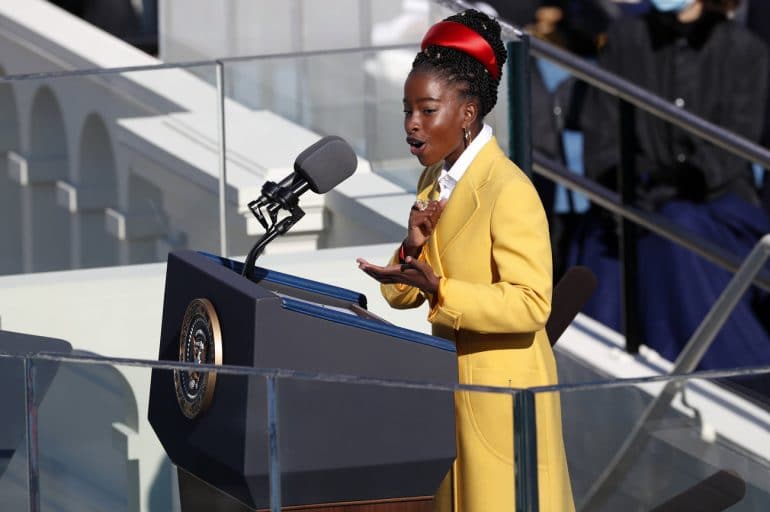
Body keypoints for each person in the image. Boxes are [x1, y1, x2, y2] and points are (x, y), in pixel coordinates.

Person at [356, 9, 575, 511]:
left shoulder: (509, 190)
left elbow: (531, 304)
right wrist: (411, 248)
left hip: (504, 406)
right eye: (407, 109)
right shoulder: (434, 182)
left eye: (427, 110)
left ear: (469, 113)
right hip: (452, 399)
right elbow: (404, 293)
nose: (412, 124)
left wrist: (442, 292)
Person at [573, 0, 770, 395]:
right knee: (614, 255)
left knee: (682, 236)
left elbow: (733, 146)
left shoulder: (744, 48)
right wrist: (628, 183)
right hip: (632, 203)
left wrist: (688, 176)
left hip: (715, 206)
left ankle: (730, 382)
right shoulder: (628, 38)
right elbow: (604, 130)